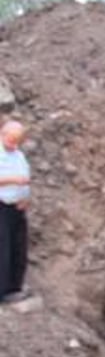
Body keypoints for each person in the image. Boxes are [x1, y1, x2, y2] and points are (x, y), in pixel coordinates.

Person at [0, 120, 31, 302]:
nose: (14, 144)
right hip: (1, 204)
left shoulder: (19, 156)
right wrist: (12, 180)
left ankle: (14, 286)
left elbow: (25, 177)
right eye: (11, 140)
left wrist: (25, 197)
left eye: (17, 141)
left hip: (16, 206)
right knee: (2, 247)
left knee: (18, 246)